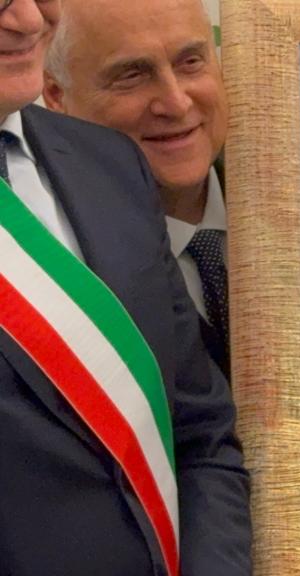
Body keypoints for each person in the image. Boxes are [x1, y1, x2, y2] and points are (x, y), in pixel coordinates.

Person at [0, 0, 251, 574]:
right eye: (131, 74)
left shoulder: (111, 165)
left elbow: (201, 434)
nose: (29, 20)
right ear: (59, 92)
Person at [42, 0, 231, 377]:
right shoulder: (46, 272)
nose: (176, 103)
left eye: (191, 62)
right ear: (57, 96)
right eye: (132, 75)